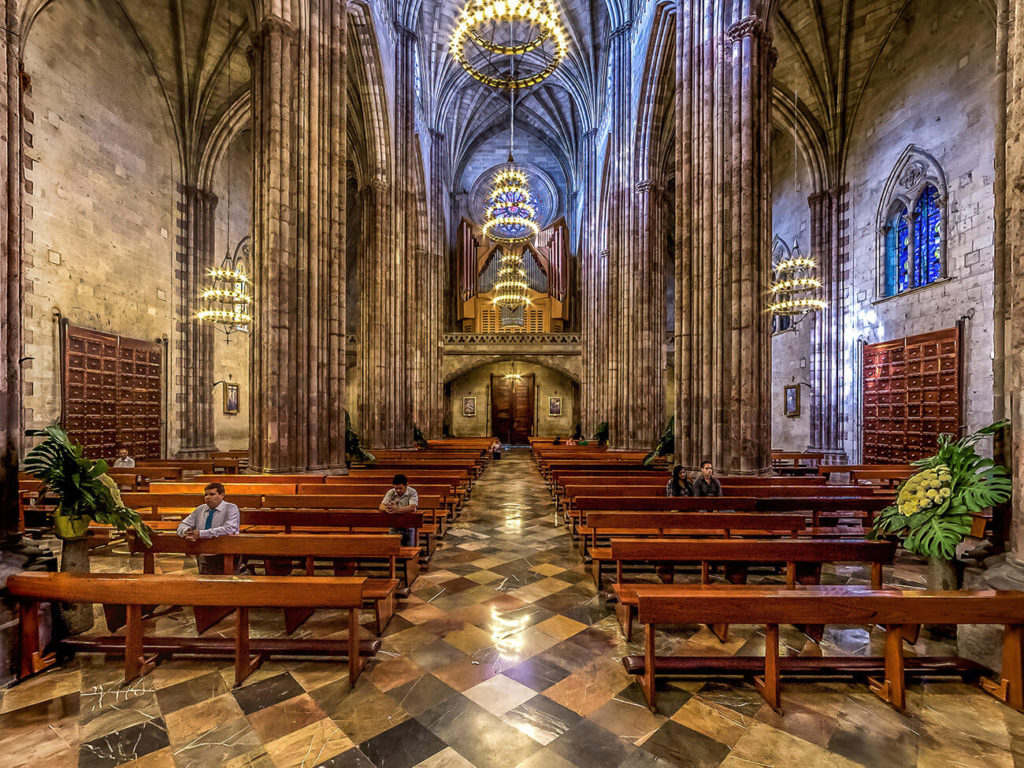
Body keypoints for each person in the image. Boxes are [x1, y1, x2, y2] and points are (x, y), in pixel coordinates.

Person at [176, 482, 241, 573]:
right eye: (206, 495)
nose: (207, 497)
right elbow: (182, 525)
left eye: (212, 494)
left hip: (225, 550)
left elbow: (229, 529)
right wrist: (186, 532)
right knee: (205, 581)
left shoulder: (231, 508)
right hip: (204, 551)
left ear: (222, 495)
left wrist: (200, 533)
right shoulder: (200, 509)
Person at [379, 474, 419, 547]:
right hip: (395, 525)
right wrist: (386, 509)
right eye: (396, 488)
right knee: (393, 547)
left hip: (409, 525)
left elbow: (412, 507)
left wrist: (398, 509)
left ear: (406, 485)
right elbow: (381, 506)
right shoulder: (391, 492)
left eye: (400, 488)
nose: (398, 491)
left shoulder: (412, 492)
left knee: (410, 548)